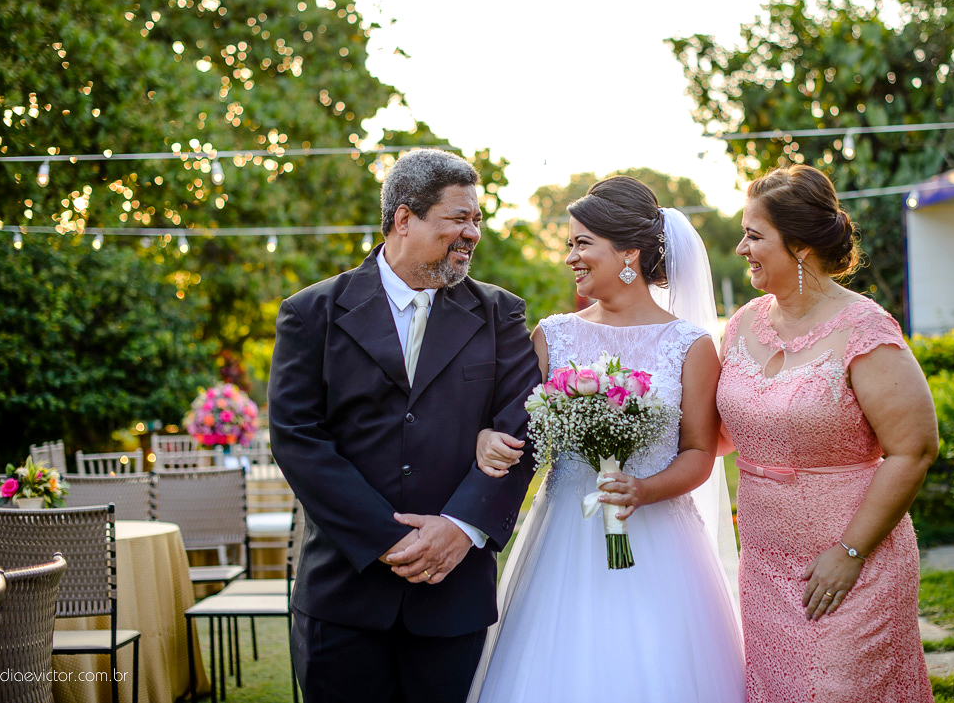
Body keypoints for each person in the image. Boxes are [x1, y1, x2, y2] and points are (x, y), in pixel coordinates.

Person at [267, 148, 542, 703]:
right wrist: (391, 540)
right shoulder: (311, 313)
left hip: (453, 592)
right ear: (404, 219)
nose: (472, 233)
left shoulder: (500, 315)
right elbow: (298, 438)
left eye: (477, 220)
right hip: (345, 593)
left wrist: (460, 528)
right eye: (458, 219)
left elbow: (524, 429)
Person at [469, 176, 745, 703]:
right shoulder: (553, 335)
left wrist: (643, 490)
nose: (570, 256)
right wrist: (486, 438)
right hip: (565, 539)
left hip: (661, 539)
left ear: (629, 253)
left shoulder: (690, 345)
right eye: (569, 243)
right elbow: (517, 432)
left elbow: (698, 454)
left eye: (582, 243)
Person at [716, 164, 938, 703]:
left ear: (800, 248)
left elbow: (915, 449)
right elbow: (717, 432)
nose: (742, 247)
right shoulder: (743, 322)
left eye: (754, 235)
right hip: (765, 561)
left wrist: (850, 552)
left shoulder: (864, 329)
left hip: (852, 562)